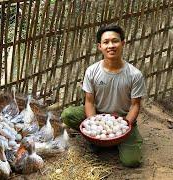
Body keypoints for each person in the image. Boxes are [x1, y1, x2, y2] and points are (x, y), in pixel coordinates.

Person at [61, 24, 146, 167]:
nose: (111, 45)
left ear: (123, 43)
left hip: (123, 119)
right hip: (99, 116)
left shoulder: (134, 75)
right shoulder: (92, 71)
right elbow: (89, 102)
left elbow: (135, 105)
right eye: (106, 42)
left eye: (115, 41)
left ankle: (115, 142)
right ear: (99, 46)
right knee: (68, 114)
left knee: (132, 161)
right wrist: (95, 125)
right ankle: (99, 141)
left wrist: (123, 127)